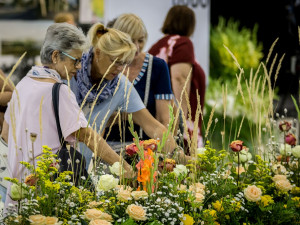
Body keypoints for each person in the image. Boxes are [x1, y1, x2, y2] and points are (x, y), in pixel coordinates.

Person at [1, 23, 134, 209]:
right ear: (56, 56)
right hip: (48, 192)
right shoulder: (59, 90)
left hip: (17, 191)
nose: (79, 67)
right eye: (75, 60)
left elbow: (6, 135)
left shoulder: (22, 85)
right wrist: (123, 167)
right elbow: (87, 136)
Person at [70, 22, 181, 169]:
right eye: (115, 61)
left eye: (124, 63)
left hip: (84, 166)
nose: (120, 68)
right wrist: (125, 168)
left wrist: (177, 155)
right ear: (98, 52)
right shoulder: (70, 74)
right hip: (54, 159)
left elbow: (152, 126)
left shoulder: (119, 85)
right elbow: (84, 134)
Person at [102, 13, 174, 142]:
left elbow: (165, 119)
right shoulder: (106, 65)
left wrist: (162, 150)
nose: (136, 47)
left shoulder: (157, 67)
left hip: (147, 149)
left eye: (140, 40)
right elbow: (97, 118)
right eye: (130, 41)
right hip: (107, 148)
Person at [149, 5, 206, 148]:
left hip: (157, 121)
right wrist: (182, 122)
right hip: (176, 121)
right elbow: (180, 78)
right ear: (190, 24)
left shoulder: (157, 46)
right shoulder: (183, 43)